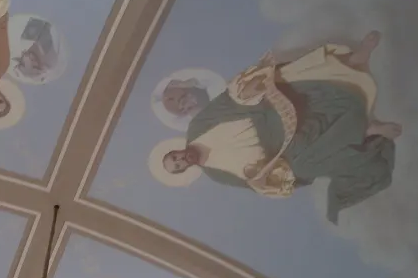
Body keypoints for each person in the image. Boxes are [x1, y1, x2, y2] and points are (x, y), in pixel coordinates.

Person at [160, 31, 401, 224]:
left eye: (175, 157)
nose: (181, 160)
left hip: (261, 114)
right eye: (179, 165)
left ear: (176, 150)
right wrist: (265, 179)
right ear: (185, 169)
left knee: (285, 80)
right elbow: (250, 182)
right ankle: (369, 130)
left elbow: (225, 104)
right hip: (277, 150)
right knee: (305, 164)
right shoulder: (215, 174)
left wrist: (247, 92)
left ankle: (355, 60)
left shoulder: (197, 128)